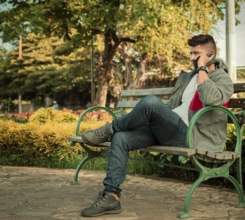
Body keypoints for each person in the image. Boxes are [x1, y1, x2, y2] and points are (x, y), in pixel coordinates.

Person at [80, 34, 234, 217]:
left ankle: (108, 129)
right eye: (191, 53)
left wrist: (203, 69)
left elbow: (210, 98)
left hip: (190, 135)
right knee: (121, 138)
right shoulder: (189, 78)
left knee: (151, 102)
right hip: (170, 129)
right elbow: (175, 107)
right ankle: (111, 196)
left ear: (210, 54)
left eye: (197, 54)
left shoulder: (222, 79)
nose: (192, 58)